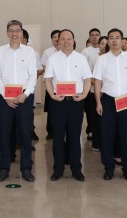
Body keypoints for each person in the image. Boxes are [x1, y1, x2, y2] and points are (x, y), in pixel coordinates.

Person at [0, 19, 38, 183]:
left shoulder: (29, 52)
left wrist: (26, 94)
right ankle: (3, 169)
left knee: (25, 134)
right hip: (5, 98)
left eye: (17, 30)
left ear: (22, 33)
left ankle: (26, 169)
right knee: (4, 134)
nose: (14, 33)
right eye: (11, 30)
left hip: (24, 97)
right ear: (7, 33)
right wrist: (6, 95)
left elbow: (33, 76)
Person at [93, 28, 127, 181]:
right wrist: (98, 102)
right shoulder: (102, 59)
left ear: (122, 40)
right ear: (108, 40)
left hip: (126, 101)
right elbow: (98, 82)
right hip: (108, 100)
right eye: (111, 37)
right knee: (107, 136)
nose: (114, 40)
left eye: (117, 37)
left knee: (126, 135)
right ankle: (109, 168)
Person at [44, 29, 92, 181]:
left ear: (73, 40)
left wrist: (84, 94)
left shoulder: (81, 58)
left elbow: (87, 79)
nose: (66, 41)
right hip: (58, 102)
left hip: (76, 102)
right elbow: (47, 79)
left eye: (69, 38)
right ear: (58, 41)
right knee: (58, 137)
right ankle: (58, 169)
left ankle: (76, 169)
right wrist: (52, 95)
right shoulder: (52, 58)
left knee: (74, 136)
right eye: (63, 39)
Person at [82, 28, 102, 146]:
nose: (94, 37)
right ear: (89, 37)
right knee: (90, 111)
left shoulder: (106, 52)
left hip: (105, 89)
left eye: (97, 35)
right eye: (92, 35)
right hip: (91, 87)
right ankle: (90, 130)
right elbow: (86, 71)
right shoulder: (86, 51)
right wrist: (95, 83)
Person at [41, 30, 61, 141]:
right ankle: (51, 131)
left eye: (59, 37)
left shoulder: (67, 52)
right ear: (52, 39)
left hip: (64, 87)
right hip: (51, 86)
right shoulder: (48, 52)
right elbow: (44, 67)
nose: (57, 39)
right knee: (51, 109)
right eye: (54, 37)